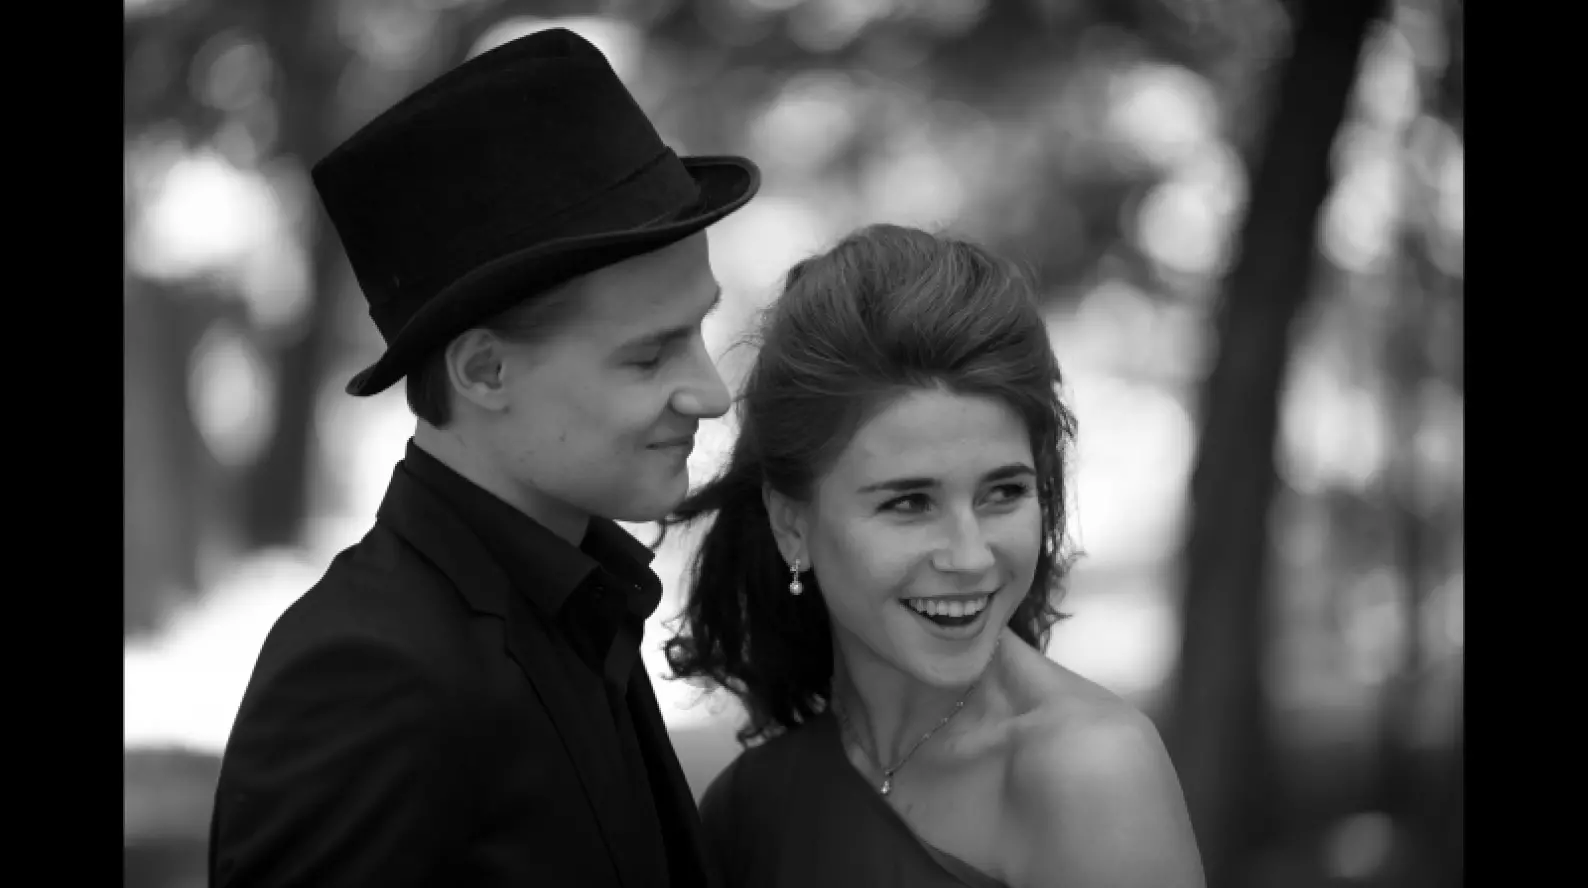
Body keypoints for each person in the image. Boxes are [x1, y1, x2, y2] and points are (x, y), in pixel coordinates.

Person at [208, 29, 759, 887]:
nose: (712, 394)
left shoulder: (572, 605)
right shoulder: (373, 676)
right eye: (649, 356)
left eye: (699, 329)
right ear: (484, 371)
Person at [664, 224, 1205, 888]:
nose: (970, 557)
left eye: (1003, 493)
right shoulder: (748, 810)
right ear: (791, 524)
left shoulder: (1089, 772)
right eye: (910, 503)